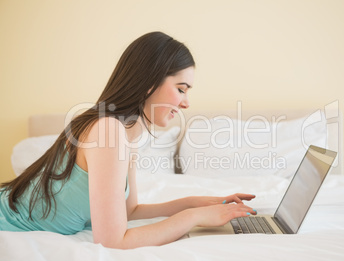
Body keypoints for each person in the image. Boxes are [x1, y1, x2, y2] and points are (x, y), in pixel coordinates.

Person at [0, 32, 256, 249]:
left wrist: (198, 203)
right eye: (181, 89)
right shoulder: (108, 131)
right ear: (149, 82)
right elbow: (113, 241)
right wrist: (194, 217)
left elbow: (129, 212)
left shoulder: (127, 132)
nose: (186, 102)